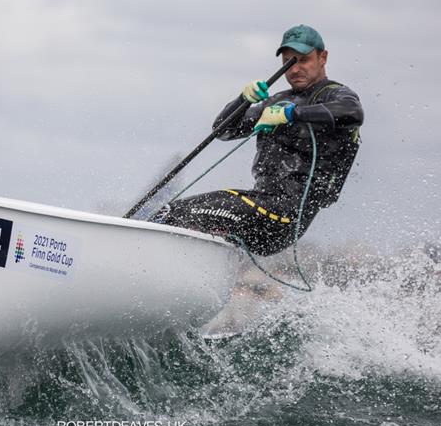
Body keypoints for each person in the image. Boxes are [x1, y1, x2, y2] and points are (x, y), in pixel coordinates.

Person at [152, 24, 364, 256]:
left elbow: (353, 113)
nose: (295, 69)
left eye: (303, 60)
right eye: (288, 63)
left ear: (322, 57)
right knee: (179, 219)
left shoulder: (334, 94)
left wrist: (291, 114)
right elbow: (222, 131)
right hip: (259, 208)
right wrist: (242, 100)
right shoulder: (275, 101)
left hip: (285, 216)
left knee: (171, 212)